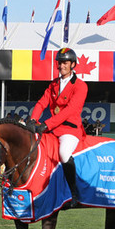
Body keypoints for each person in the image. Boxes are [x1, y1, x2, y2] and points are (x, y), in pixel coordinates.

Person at [29, 47, 88, 203]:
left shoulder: (81, 85)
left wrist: (46, 124)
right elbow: (42, 103)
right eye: (59, 63)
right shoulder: (53, 84)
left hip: (70, 130)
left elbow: (69, 111)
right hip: (53, 129)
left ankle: (74, 193)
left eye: (65, 63)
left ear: (73, 64)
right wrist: (33, 119)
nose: (61, 66)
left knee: (63, 153)